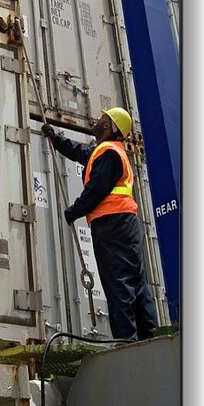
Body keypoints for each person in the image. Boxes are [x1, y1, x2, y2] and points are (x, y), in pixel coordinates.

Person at [42, 107, 157, 342]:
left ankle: (127, 343)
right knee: (135, 282)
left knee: (118, 283)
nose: (96, 120)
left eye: (102, 118)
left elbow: (97, 189)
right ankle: (149, 337)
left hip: (113, 225)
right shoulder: (106, 152)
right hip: (123, 225)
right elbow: (81, 152)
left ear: (109, 125)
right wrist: (56, 139)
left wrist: (73, 211)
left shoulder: (109, 154)